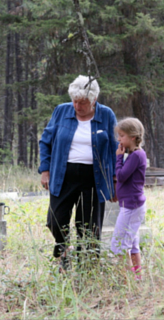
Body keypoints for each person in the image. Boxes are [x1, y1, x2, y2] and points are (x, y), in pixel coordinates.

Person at [39, 75, 118, 270]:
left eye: (82, 102)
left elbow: (116, 148)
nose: (77, 106)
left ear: (94, 100)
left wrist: (115, 180)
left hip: (95, 178)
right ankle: (63, 253)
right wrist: (45, 170)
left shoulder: (106, 115)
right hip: (63, 175)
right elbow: (45, 141)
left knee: (89, 226)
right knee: (55, 220)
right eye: (74, 101)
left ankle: (88, 268)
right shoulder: (61, 111)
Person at [110, 117, 147, 280]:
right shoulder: (134, 155)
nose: (119, 139)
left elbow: (122, 176)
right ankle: (137, 278)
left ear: (132, 137)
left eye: (122, 135)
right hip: (132, 205)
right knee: (132, 244)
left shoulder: (136, 155)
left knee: (118, 244)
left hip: (131, 207)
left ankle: (126, 280)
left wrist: (119, 157)